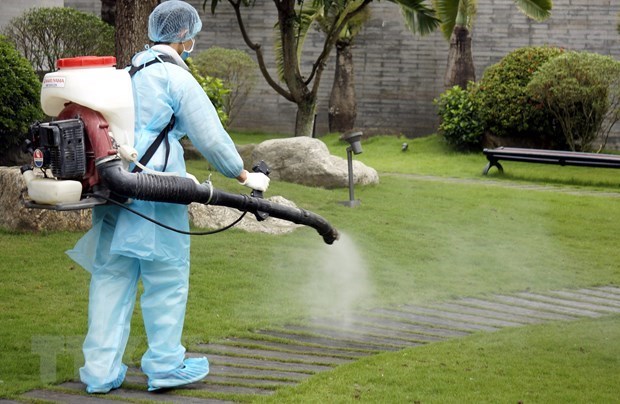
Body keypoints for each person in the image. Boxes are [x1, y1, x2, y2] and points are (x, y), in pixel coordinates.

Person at [67, 0, 270, 393]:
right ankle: (164, 365)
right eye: (192, 35)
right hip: (159, 190)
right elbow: (210, 136)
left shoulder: (126, 71)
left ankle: (99, 372)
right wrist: (245, 175)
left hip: (115, 186)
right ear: (184, 37)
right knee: (166, 278)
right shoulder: (175, 78)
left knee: (111, 278)